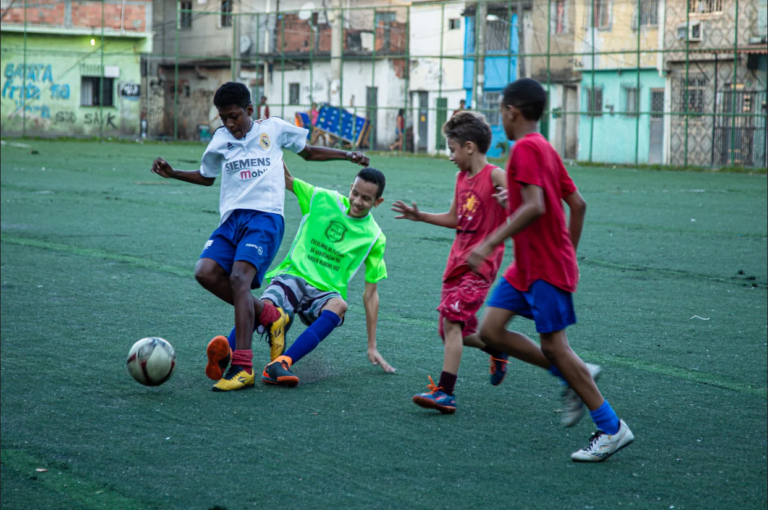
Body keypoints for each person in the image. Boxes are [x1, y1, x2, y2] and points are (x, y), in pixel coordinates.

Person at [151, 82, 370, 392]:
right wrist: (173, 173)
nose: (229, 123)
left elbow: (308, 152)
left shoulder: (274, 129)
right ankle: (271, 315)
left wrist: (346, 154)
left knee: (240, 279)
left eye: (234, 116)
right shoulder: (219, 140)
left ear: (250, 111)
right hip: (231, 220)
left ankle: (242, 366)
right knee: (205, 272)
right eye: (223, 118)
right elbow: (206, 177)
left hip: (265, 217)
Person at [467, 78, 634, 462]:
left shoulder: (525, 148)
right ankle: (574, 374)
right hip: (526, 267)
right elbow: (578, 204)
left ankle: (611, 427)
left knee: (554, 347)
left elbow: (537, 206)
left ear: (512, 110)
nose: (500, 120)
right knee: (490, 330)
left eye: (501, 112)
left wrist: (491, 241)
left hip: (542, 267)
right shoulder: (543, 147)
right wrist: (568, 253)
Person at [392, 111, 508, 414]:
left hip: (480, 266)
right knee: (451, 331)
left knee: (453, 322)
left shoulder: (495, 175)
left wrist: (511, 200)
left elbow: (524, 203)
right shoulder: (460, 178)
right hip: (455, 263)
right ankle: (496, 347)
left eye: (452, 150)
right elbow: (455, 218)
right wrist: (421, 216)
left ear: (469, 147)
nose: (450, 157)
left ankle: (445, 392)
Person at [252, 161, 394, 387]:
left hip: (324, 293)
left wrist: (372, 345)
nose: (357, 201)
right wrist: (270, 149)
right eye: (355, 193)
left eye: (366, 199)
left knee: (340, 305)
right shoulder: (322, 198)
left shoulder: (375, 237)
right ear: (350, 187)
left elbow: (371, 294)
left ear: (378, 202)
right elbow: (288, 181)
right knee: (267, 305)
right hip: (294, 276)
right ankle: (228, 352)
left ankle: (281, 364)